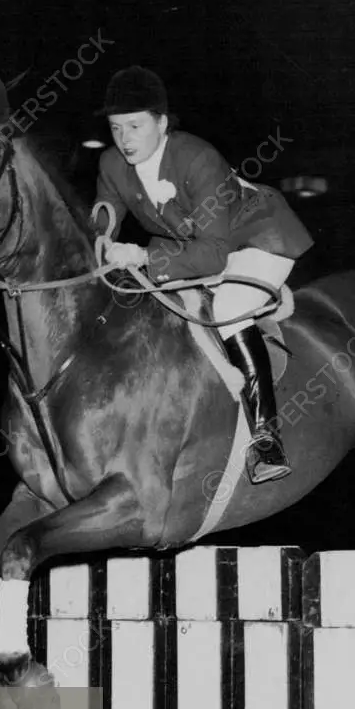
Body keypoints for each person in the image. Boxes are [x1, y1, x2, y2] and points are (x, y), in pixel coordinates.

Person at [92, 65, 315, 484]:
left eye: (135, 126)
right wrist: (103, 236)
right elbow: (108, 207)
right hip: (196, 248)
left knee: (229, 305)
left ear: (162, 122)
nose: (124, 139)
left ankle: (267, 438)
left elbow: (213, 258)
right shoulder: (110, 161)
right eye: (116, 127)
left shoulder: (197, 158)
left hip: (258, 239)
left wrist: (141, 255)